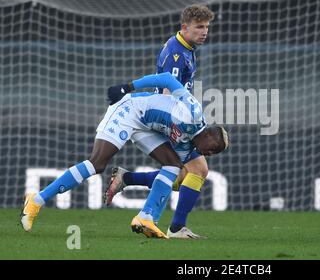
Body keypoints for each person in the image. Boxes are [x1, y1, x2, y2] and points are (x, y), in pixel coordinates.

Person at [20, 72, 229, 239]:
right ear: (209, 133)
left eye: (215, 153)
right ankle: (36, 200)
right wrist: (127, 87)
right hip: (129, 110)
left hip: (145, 127)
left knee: (173, 166)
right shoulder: (194, 113)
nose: (210, 153)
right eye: (214, 147)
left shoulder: (186, 144)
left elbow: (176, 177)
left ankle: (146, 218)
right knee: (97, 164)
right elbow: (167, 78)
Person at [104, 4, 215, 239]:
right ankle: (175, 228)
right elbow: (167, 91)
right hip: (170, 119)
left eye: (206, 27)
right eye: (199, 27)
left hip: (172, 116)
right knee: (195, 170)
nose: (204, 31)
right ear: (184, 27)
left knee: (185, 175)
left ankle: (128, 179)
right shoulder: (177, 53)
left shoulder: (186, 47)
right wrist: (174, 126)